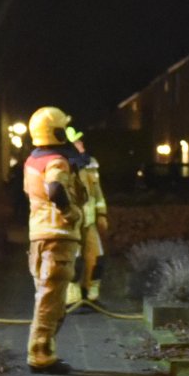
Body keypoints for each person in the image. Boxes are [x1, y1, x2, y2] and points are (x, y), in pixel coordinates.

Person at [21, 106, 87, 374]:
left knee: (48, 297)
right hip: (57, 236)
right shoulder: (56, 161)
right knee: (51, 301)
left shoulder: (32, 160)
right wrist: (71, 213)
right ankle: (40, 356)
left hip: (40, 236)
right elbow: (56, 188)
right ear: (57, 132)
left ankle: (44, 352)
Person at [68, 127, 110, 306]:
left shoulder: (90, 164)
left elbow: (97, 192)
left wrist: (102, 214)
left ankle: (91, 295)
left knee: (97, 257)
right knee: (74, 260)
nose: (81, 144)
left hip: (89, 222)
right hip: (72, 222)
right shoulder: (62, 166)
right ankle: (72, 298)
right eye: (77, 142)